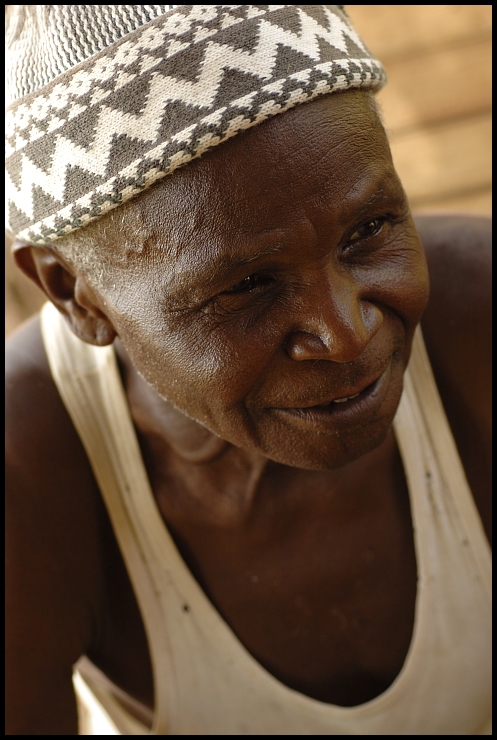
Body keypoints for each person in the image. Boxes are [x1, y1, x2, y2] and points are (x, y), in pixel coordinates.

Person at [5, 5, 491, 735]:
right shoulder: (26, 474)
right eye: (244, 286)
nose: (345, 331)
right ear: (75, 292)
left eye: (367, 231)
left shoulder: (480, 322)